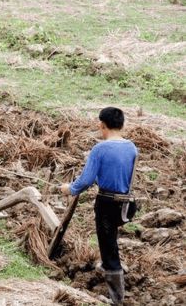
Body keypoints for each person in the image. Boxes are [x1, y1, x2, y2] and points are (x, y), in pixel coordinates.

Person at [60, 107, 138, 306]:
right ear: (122, 124)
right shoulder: (131, 147)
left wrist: (70, 189)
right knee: (110, 239)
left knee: (108, 245)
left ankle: (116, 298)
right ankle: (107, 266)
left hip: (107, 203)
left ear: (102, 125)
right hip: (127, 204)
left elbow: (86, 180)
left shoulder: (100, 149)